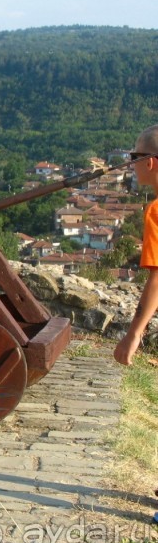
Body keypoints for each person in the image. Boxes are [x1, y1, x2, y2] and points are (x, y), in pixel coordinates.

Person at [113, 124, 158, 366]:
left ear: (150, 162)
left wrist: (133, 334)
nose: (132, 163)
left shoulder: (156, 211)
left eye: (135, 157)